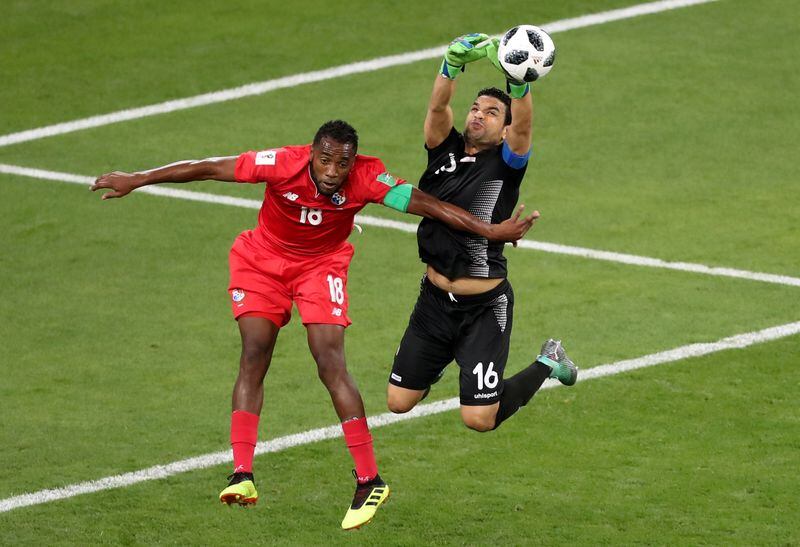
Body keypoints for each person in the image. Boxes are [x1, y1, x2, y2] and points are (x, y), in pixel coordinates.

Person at [91, 120, 536, 530]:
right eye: (325, 160)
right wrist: (139, 178)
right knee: (254, 351)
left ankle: (369, 481)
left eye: (342, 162)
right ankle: (242, 472)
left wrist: (490, 231)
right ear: (311, 154)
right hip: (261, 260)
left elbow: (430, 205)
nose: (332, 171)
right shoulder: (281, 163)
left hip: (321, 268)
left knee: (329, 361)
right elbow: (208, 167)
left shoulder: (367, 178)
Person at [386, 34, 578, 433]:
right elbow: (438, 105)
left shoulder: (507, 166)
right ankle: (442, 359)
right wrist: (449, 65)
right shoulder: (443, 150)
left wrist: (518, 82)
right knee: (398, 402)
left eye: (492, 112)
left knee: (479, 419)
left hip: (484, 307)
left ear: (506, 130)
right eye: (475, 108)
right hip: (433, 303)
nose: (478, 115)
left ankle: (548, 360)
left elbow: (524, 123)